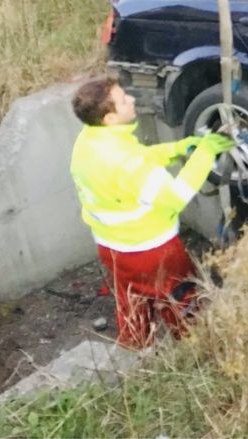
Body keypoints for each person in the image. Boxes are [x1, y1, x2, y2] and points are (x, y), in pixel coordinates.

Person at [69, 77, 235, 349]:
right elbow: (176, 197)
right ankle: (198, 349)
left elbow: (135, 160)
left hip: (112, 248)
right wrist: (204, 153)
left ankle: (135, 350)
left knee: (132, 301)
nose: (131, 99)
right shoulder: (126, 162)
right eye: (124, 100)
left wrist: (178, 149)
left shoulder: (89, 141)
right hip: (152, 251)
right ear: (110, 117)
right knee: (181, 300)